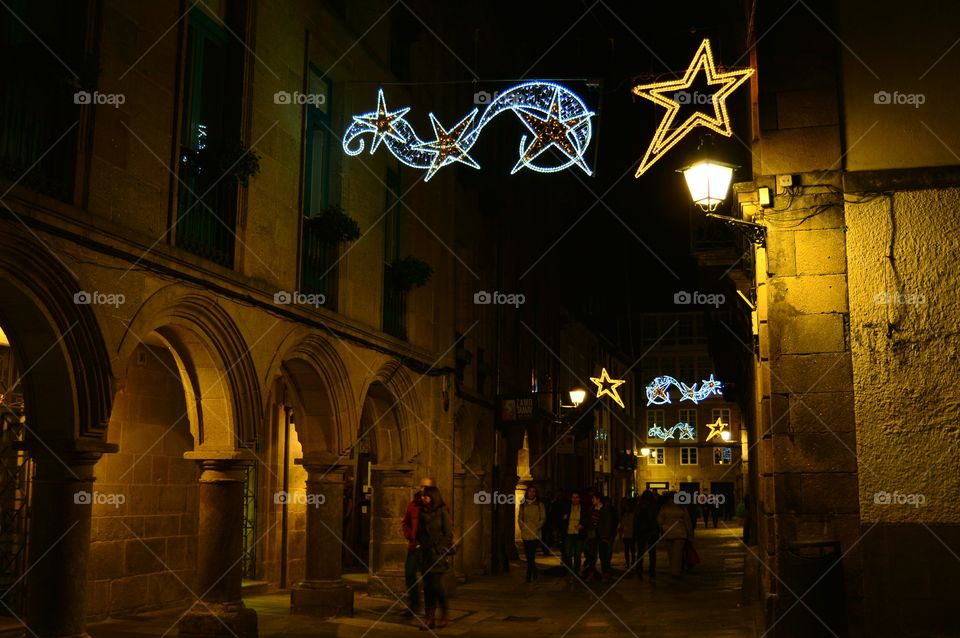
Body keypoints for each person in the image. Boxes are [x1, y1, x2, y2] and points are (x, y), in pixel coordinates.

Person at [416, 485, 454, 630]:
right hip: (425, 555)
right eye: (422, 496)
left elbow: (448, 533)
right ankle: (429, 618)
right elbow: (419, 532)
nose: (423, 498)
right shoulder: (421, 512)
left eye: (425, 496)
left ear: (433, 496)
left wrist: (441, 549)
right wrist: (419, 546)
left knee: (437, 586)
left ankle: (444, 612)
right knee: (427, 587)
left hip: (437, 554)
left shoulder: (442, 512)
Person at [401, 477, 434, 616]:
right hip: (415, 546)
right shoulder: (413, 504)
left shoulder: (438, 505)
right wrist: (410, 536)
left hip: (430, 548)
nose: (423, 489)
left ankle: (430, 610)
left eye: (426, 486)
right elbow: (405, 522)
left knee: (430, 579)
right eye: (421, 486)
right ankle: (414, 604)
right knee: (409, 573)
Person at [657, 492, 693, 577]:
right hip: (680, 533)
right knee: (678, 553)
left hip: (668, 532)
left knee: (671, 553)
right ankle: (676, 571)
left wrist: (662, 529)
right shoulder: (682, 508)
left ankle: (673, 569)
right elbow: (688, 522)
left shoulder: (664, 508)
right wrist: (690, 534)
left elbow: (659, 521)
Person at [518, 485, 547, 582]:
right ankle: (534, 570)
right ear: (527, 493)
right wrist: (522, 527)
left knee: (532, 554)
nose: (531, 493)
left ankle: (528, 573)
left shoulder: (540, 505)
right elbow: (520, 518)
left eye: (533, 491)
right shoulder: (523, 504)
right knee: (528, 554)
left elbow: (543, 518)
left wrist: (537, 527)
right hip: (526, 532)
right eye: (530, 491)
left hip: (535, 532)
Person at [590, 494, 617, 582]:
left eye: (593, 498)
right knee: (592, 555)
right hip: (593, 535)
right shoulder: (592, 509)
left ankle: (605, 574)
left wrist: (606, 536)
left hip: (602, 535)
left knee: (603, 555)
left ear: (598, 499)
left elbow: (608, 524)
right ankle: (592, 573)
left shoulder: (605, 510)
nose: (592, 500)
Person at [634, 490, 659, 578]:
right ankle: (652, 571)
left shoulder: (639, 506)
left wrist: (635, 531)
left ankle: (639, 570)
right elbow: (656, 520)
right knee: (652, 552)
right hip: (652, 531)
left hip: (641, 531)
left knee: (640, 552)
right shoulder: (654, 506)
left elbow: (636, 520)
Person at [561, 490, 586, 579]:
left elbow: (586, 519)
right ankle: (570, 569)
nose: (575, 499)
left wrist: (582, 525)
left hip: (579, 534)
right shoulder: (567, 507)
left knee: (577, 553)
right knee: (568, 553)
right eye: (573, 497)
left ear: (579, 499)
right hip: (569, 533)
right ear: (571, 499)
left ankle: (576, 571)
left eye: (577, 497)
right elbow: (561, 519)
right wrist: (564, 519)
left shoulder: (583, 508)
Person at [619, 497, 637, 569]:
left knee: (631, 549)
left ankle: (632, 562)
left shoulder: (632, 515)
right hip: (627, 534)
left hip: (631, 533)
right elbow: (622, 525)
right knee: (627, 550)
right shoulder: (625, 515)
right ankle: (628, 563)